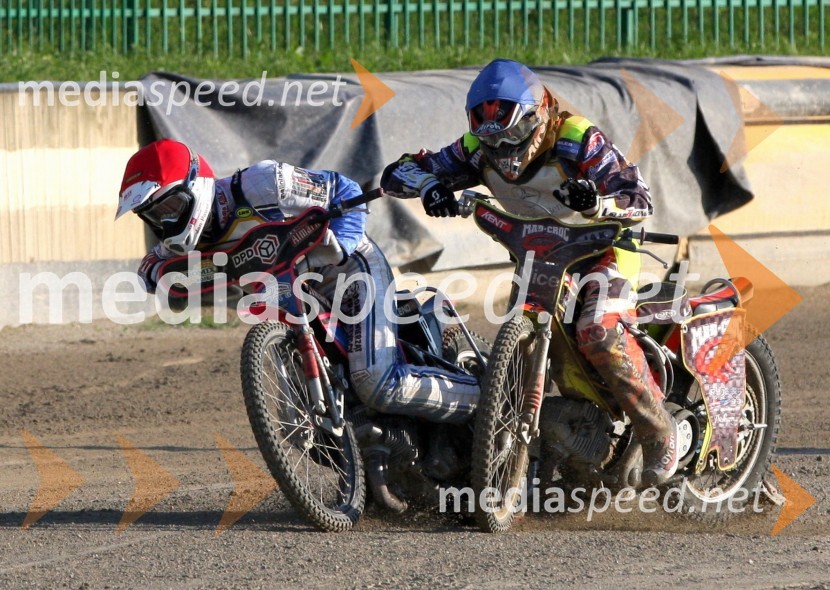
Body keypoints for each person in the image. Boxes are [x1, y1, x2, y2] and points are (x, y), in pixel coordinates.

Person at [380, 58, 679, 485]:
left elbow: (638, 198)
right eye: (491, 140)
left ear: (539, 116)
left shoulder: (578, 138)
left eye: (513, 134)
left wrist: (596, 202)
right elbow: (396, 174)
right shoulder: (476, 147)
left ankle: (658, 430)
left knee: (596, 330)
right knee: (533, 345)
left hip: (605, 249)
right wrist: (430, 186)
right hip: (540, 255)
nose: (503, 151)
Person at [116, 139, 480, 439]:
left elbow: (344, 189)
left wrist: (343, 241)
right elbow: (150, 269)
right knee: (296, 429)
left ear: (197, 185)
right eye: (153, 216)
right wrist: (170, 278)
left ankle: (487, 401)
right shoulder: (186, 245)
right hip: (291, 303)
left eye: (170, 206)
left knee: (376, 381)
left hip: (348, 270)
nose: (165, 222)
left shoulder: (262, 183)